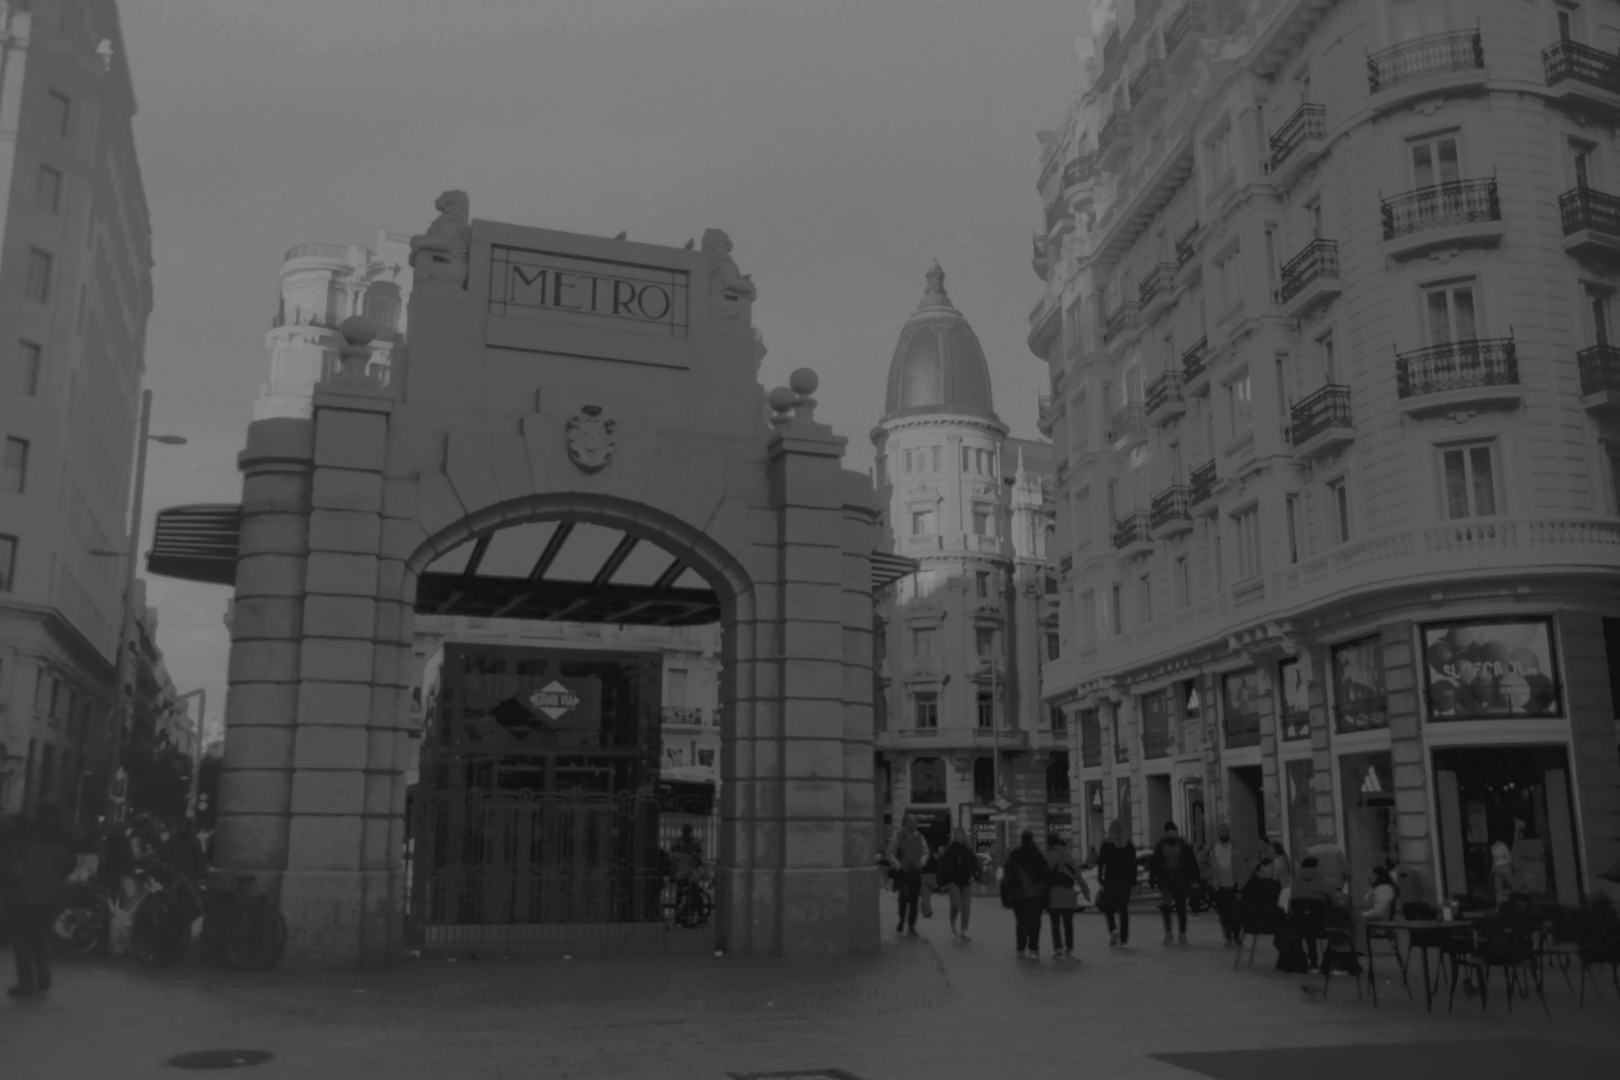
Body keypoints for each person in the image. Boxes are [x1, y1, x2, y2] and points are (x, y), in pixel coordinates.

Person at [5, 804, 77, 999]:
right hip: (49, 894)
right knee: (40, 935)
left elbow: (13, 860)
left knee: (21, 938)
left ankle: (26, 983)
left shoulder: (28, 833)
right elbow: (70, 864)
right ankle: (44, 977)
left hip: (25, 893)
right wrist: (55, 878)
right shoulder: (63, 835)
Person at [1149, 821, 1203, 945]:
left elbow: (1191, 862)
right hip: (1167, 880)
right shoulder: (1162, 845)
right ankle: (1172, 933)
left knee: (1179, 907)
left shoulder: (1181, 844)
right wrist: (1153, 878)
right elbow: (1155, 863)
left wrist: (1195, 879)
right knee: (1170, 907)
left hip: (1180, 880)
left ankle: (1179, 933)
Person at [1207, 822, 1255, 948]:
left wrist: (1246, 880)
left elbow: (1246, 862)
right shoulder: (1212, 848)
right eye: (1222, 832)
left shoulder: (1237, 847)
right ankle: (1227, 935)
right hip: (1219, 886)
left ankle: (1236, 935)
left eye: (1227, 832)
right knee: (1223, 913)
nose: (1225, 834)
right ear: (1218, 833)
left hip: (1235, 885)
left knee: (1237, 912)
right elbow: (1204, 862)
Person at [1003, 830, 1050, 959]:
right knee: (1035, 921)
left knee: (1021, 921)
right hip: (1036, 896)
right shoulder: (1038, 855)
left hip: (1019, 896)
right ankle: (1033, 948)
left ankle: (1021, 946)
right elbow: (1046, 875)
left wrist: (1007, 894)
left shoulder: (1015, 855)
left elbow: (1008, 876)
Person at [1044, 833, 1089, 960]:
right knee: (1068, 922)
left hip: (1053, 894)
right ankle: (1069, 947)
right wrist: (1085, 890)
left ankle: (1058, 948)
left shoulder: (1045, 856)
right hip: (1068, 894)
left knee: (1055, 922)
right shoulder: (1066, 855)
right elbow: (1077, 874)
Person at [1096, 818, 1137, 947]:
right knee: (1123, 910)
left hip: (1110, 880)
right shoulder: (1128, 844)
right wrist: (1133, 881)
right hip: (1125, 882)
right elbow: (1133, 864)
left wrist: (1100, 878)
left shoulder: (1106, 844)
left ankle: (1113, 929)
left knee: (1108, 908)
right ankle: (1124, 939)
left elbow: (1101, 862)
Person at [886, 814, 929, 937]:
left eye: (916, 822)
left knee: (915, 899)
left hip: (915, 871)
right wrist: (898, 865)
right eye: (912, 822)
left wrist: (921, 863)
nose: (915, 825)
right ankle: (901, 919)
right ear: (906, 823)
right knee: (904, 897)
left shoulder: (920, 837)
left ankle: (911, 926)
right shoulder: (898, 836)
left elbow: (925, 852)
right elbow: (890, 853)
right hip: (903, 872)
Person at [937, 827, 980, 941]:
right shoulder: (950, 850)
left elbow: (974, 863)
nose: (957, 836)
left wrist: (976, 875)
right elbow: (944, 866)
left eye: (959, 834)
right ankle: (952, 919)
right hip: (953, 881)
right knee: (956, 902)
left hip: (965, 881)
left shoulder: (967, 850)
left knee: (966, 907)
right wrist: (942, 882)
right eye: (955, 834)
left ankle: (964, 930)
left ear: (963, 835)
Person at [919, 843, 940, 920]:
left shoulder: (921, 856)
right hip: (932, 877)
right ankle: (926, 911)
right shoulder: (934, 856)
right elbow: (937, 867)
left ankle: (927, 911)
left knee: (925, 896)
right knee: (927, 896)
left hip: (924, 877)